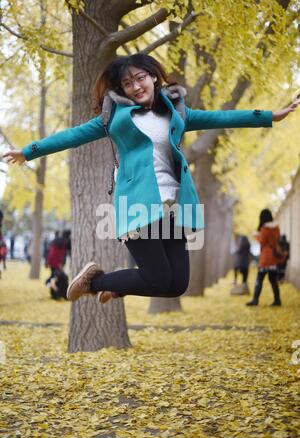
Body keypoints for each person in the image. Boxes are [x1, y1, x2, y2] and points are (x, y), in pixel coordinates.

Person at [2, 54, 299, 304]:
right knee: (157, 277)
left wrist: (268, 116)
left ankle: (117, 285)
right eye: (128, 83)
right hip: (139, 204)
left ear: (154, 77)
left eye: (140, 78)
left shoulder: (178, 112)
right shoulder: (114, 117)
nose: (135, 86)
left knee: (176, 284)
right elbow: (72, 136)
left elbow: (222, 118)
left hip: (176, 206)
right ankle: (96, 280)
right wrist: (29, 152)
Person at [246, 209, 283, 307]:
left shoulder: (264, 228)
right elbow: (277, 239)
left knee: (259, 278)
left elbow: (262, 241)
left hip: (266, 257)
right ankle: (277, 300)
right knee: (273, 280)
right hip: (273, 257)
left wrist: (256, 236)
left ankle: (255, 300)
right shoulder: (276, 228)